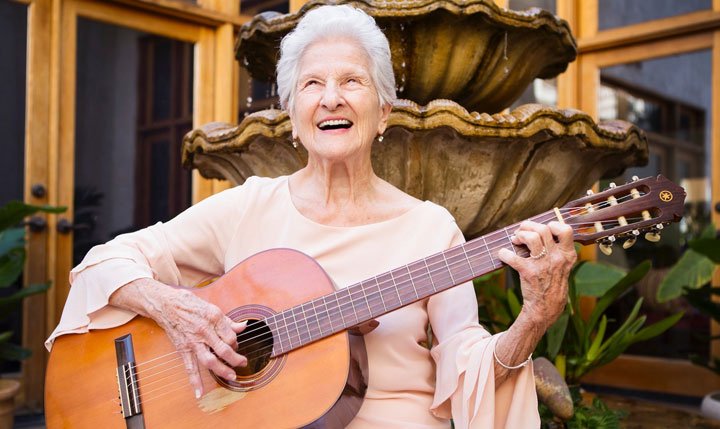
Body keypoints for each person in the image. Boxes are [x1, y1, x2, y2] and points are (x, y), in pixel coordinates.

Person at [47, 5, 576, 428]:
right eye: (312, 84)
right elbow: (107, 262)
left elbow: (469, 369)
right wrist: (171, 308)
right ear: (293, 119)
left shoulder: (430, 228)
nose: (331, 99)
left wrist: (533, 320)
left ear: (383, 113)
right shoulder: (249, 206)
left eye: (352, 81)